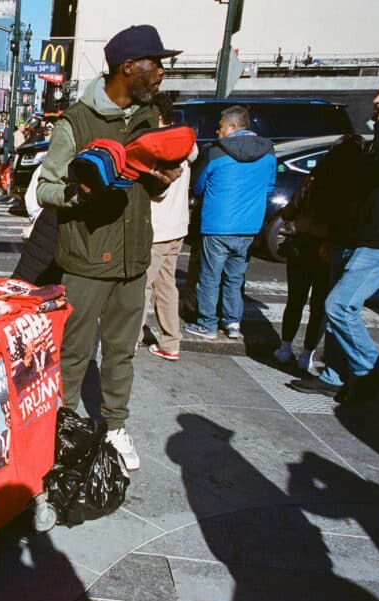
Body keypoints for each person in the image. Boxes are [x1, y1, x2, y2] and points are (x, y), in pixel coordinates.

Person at [36, 24, 184, 471]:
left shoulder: (146, 118)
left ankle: (116, 425)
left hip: (133, 259)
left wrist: (160, 182)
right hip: (84, 260)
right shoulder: (76, 122)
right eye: (155, 64)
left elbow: (146, 189)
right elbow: (45, 188)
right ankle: (60, 428)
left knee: (121, 351)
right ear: (128, 67)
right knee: (74, 352)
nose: (161, 72)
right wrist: (80, 193)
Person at [289, 72, 379, 402]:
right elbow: (357, 195)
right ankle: (334, 375)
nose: (376, 100)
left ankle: (371, 368)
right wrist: (336, 237)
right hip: (355, 237)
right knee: (334, 310)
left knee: (340, 305)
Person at [272, 137, 366, 372]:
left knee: (295, 300)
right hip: (331, 246)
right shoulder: (356, 185)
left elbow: (290, 211)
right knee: (320, 304)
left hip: (303, 244)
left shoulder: (314, 179)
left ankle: (285, 348)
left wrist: (292, 215)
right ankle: (308, 354)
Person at [184, 106, 276, 341]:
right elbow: (268, 188)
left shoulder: (216, 153)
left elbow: (199, 186)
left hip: (217, 224)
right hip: (249, 226)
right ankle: (232, 322)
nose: (218, 132)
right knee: (235, 277)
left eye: (221, 127)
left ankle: (207, 324)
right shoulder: (268, 153)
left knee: (210, 277)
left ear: (233, 126)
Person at [142, 93, 198, 361]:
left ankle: (126, 343)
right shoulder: (185, 143)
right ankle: (171, 342)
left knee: (141, 286)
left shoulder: (164, 146)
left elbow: (158, 191)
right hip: (177, 225)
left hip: (159, 227)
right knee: (165, 285)